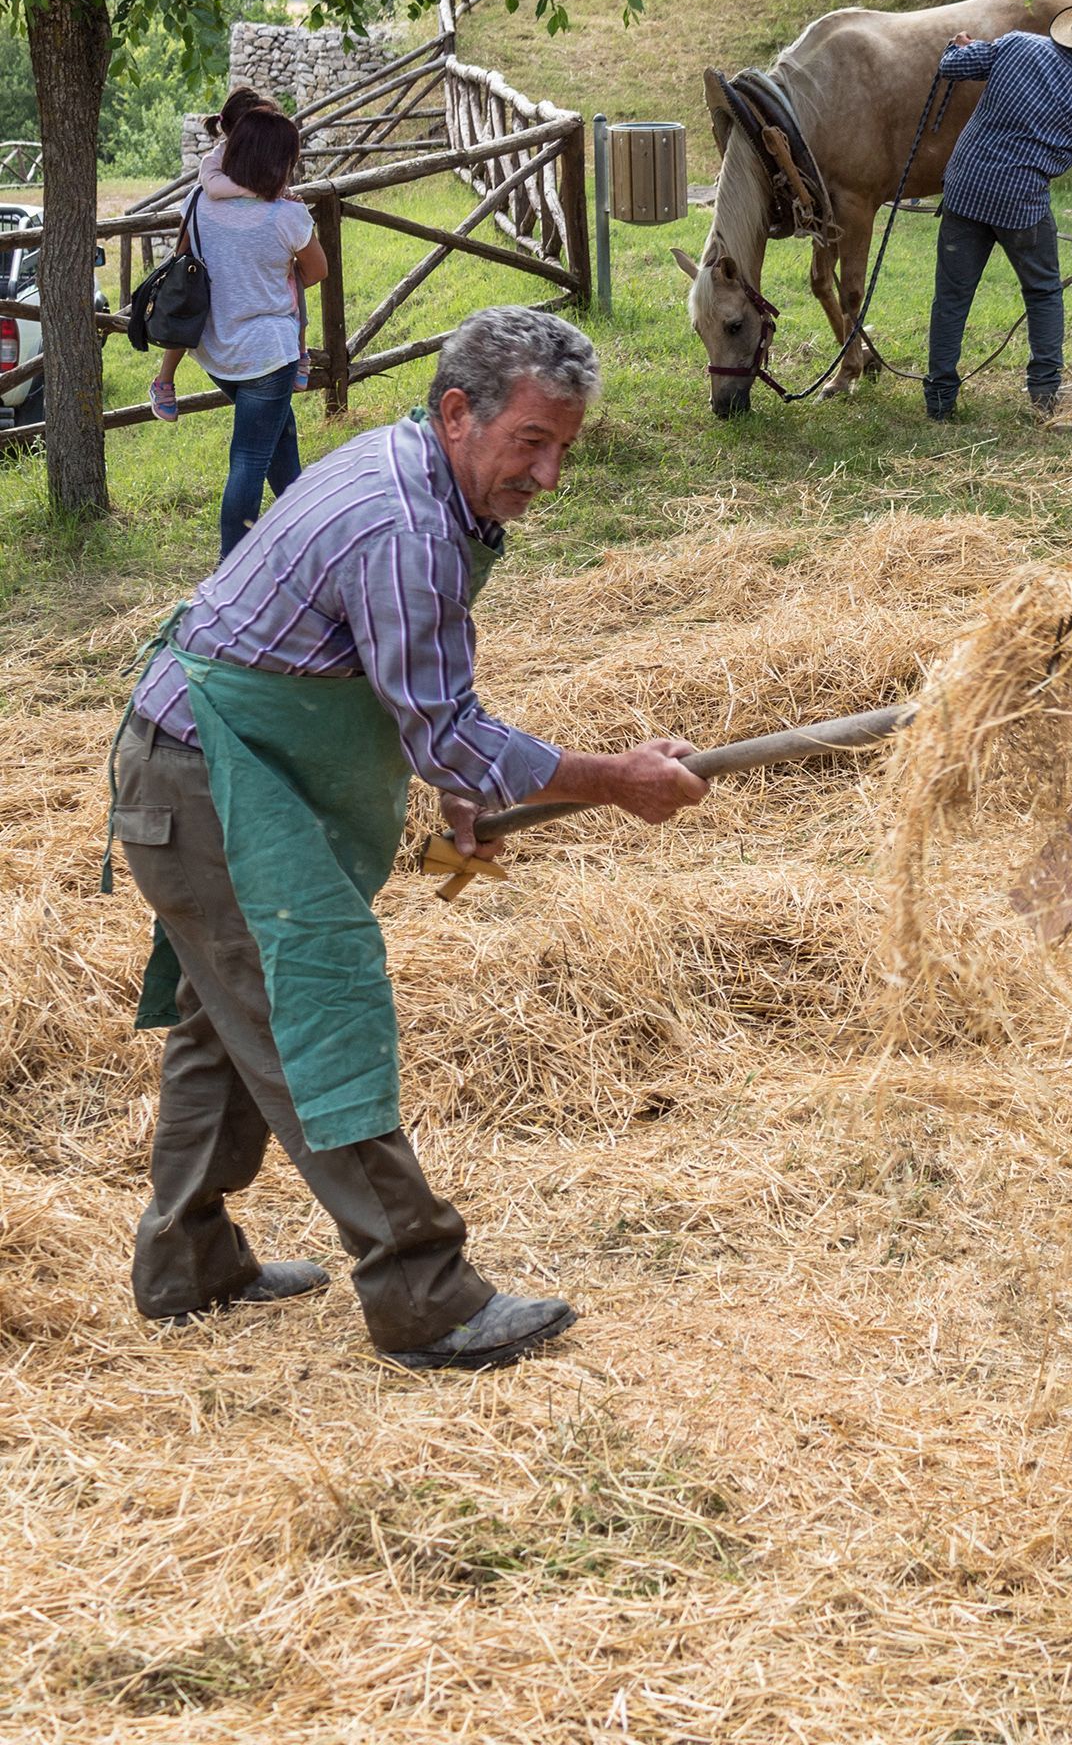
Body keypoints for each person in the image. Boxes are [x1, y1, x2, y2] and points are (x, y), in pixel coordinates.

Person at [109, 306, 710, 1370]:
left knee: (226, 1022)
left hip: (214, 768)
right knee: (314, 1009)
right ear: (455, 413)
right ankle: (423, 1291)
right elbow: (447, 726)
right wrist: (612, 779)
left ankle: (185, 1264)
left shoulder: (425, 482)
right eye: (531, 441)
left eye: (564, 446)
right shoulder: (406, 524)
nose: (550, 475)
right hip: (203, 785)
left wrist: (458, 782)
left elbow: (406, 685)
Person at [923, 0, 1072, 421]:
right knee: (1043, 292)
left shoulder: (1016, 44)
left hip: (965, 188)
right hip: (1022, 205)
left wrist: (959, 45)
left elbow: (952, 66)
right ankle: (1045, 394)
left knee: (951, 297)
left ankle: (939, 400)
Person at [182, 106, 327, 561]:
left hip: (216, 352)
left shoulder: (197, 202)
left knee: (278, 436)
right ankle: (232, 569)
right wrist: (269, 277)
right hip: (268, 355)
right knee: (248, 459)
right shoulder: (286, 217)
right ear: (276, 162)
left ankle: (305, 535)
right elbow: (317, 271)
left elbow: (187, 262)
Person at [147, 88, 310, 423]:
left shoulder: (256, 164)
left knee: (275, 433)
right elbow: (213, 190)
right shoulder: (217, 163)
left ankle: (301, 351)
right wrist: (262, 192)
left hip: (254, 330)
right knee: (186, 309)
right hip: (229, 300)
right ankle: (164, 379)